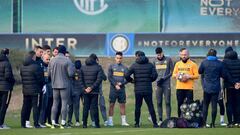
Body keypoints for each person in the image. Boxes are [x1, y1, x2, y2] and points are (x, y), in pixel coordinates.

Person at [199, 49, 233, 128]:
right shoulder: (219, 63)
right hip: (216, 87)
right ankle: (213, 124)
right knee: (214, 106)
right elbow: (224, 75)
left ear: (208, 54)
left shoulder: (204, 62)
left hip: (206, 87)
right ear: (215, 55)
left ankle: (204, 123)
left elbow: (200, 71)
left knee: (205, 105)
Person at [125, 51, 159, 128]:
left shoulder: (134, 65)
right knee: (150, 106)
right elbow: (155, 75)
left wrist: (132, 80)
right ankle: (155, 123)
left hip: (138, 89)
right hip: (148, 89)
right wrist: (150, 80)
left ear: (137, 56)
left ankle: (137, 124)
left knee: (137, 107)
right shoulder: (150, 65)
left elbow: (126, 75)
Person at [48, 45, 74, 129]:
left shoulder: (52, 60)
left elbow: (48, 74)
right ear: (64, 52)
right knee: (64, 103)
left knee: (55, 103)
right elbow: (71, 74)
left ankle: (53, 122)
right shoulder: (67, 60)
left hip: (54, 84)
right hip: (65, 85)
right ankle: (63, 122)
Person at [20, 51, 44, 128]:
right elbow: (40, 79)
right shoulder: (35, 66)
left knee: (25, 106)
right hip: (34, 90)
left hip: (25, 89)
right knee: (35, 107)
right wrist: (41, 86)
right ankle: (36, 123)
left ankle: (23, 124)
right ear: (33, 57)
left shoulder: (22, 66)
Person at [172, 48, 199, 117]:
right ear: (180, 55)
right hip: (179, 88)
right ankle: (180, 119)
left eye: (185, 54)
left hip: (189, 88)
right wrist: (177, 76)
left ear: (188, 55)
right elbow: (173, 74)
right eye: (182, 55)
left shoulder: (193, 64)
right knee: (180, 104)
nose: (184, 56)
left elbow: (197, 76)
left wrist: (188, 76)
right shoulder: (177, 64)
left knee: (190, 105)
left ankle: (189, 120)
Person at [152, 47, 173, 125]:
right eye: (158, 54)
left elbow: (172, 72)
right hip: (158, 84)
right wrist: (156, 80)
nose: (159, 56)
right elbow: (153, 72)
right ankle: (160, 119)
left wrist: (164, 78)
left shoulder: (168, 59)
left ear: (162, 52)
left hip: (166, 83)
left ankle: (168, 119)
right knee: (159, 102)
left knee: (167, 102)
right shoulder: (154, 61)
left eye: (160, 54)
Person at [81, 54, 103, 128]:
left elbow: (81, 80)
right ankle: (97, 124)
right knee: (95, 108)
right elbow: (99, 79)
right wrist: (92, 88)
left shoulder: (83, 67)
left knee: (85, 108)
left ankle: (84, 124)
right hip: (94, 91)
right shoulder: (98, 67)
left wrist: (85, 88)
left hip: (85, 91)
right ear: (95, 59)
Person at [107, 52, 129, 127]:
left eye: (120, 58)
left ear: (122, 58)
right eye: (117, 58)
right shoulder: (111, 66)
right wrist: (115, 85)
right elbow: (109, 77)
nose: (119, 60)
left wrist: (122, 84)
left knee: (122, 105)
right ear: (115, 58)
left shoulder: (125, 68)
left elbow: (127, 78)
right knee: (111, 105)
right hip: (113, 89)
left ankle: (123, 122)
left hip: (121, 90)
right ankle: (110, 121)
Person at [222, 47, 240, 127]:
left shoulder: (224, 62)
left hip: (228, 86)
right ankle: (238, 121)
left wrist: (233, 83)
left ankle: (230, 122)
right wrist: (238, 83)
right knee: (238, 103)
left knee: (228, 104)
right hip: (238, 87)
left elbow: (226, 75)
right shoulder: (239, 62)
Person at [89, 54, 108, 127]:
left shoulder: (98, 67)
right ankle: (98, 121)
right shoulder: (94, 67)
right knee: (96, 106)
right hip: (95, 90)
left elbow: (104, 77)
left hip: (95, 90)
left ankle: (101, 121)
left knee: (98, 106)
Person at [0, 48, 15, 129]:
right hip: (5, 88)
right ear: (7, 54)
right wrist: (13, 81)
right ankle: (1, 124)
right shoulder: (6, 63)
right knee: (3, 106)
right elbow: (8, 76)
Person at [68, 60, 84, 127]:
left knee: (76, 107)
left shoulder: (73, 71)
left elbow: (70, 80)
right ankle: (83, 120)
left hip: (75, 91)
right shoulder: (82, 71)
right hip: (83, 90)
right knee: (84, 106)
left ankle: (77, 121)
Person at [39, 54, 52, 127]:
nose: (48, 61)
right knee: (43, 105)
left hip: (49, 87)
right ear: (43, 59)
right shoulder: (41, 67)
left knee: (47, 105)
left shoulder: (49, 67)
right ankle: (41, 121)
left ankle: (44, 121)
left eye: (49, 59)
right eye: (47, 59)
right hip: (43, 87)